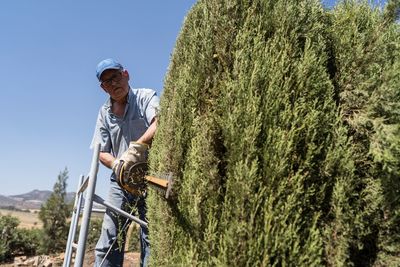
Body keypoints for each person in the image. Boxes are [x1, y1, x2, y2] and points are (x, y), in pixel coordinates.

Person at [91, 58, 159, 267]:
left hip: (151, 178)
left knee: (151, 238)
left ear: (126, 75)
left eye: (116, 77)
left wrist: (135, 148)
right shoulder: (104, 114)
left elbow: (159, 123)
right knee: (110, 239)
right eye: (107, 82)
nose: (113, 84)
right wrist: (117, 164)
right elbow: (101, 152)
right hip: (120, 182)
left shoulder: (147, 97)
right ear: (103, 88)